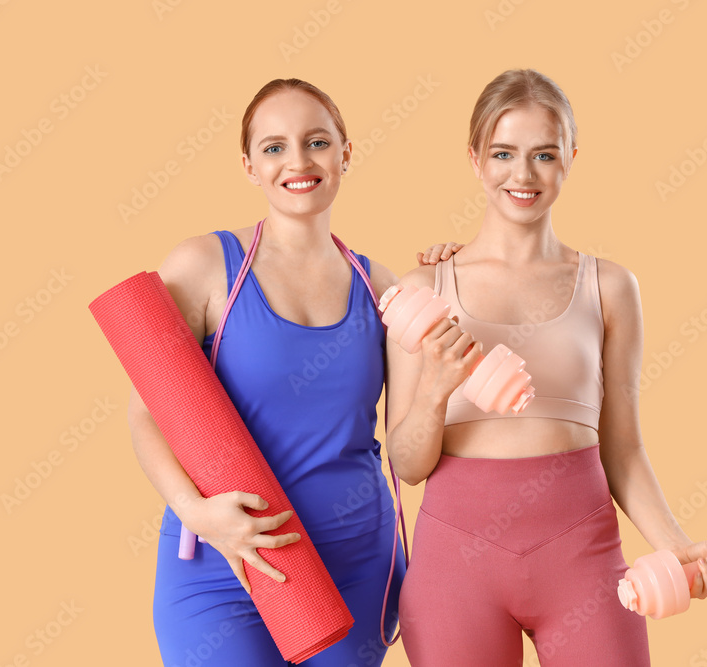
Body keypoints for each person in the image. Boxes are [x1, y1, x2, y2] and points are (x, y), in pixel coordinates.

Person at [386, 69, 707, 666]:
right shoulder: (425, 290)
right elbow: (406, 464)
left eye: (543, 155)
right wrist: (435, 392)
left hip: (581, 559)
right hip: (456, 567)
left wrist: (676, 547)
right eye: (503, 154)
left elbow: (622, 447)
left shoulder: (610, 287)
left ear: (571, 157)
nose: (522, 176)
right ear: (475, 159)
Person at [127, 78, 462, 667]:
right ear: (249, 165)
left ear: (345, 153)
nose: (299, 162)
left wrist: (454, 291)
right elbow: (147, 412)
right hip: (222, 561)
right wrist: (196, 512)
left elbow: (412, 459)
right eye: (274, 147)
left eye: (317, 142)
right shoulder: (205, 266)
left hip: (357, 563)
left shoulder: (381, 288)